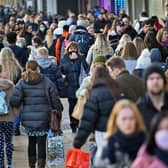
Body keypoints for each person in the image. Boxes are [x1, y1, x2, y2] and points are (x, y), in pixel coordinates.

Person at [10, 60, 63, 168]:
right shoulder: (46, 81)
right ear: (37, 68)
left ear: (26, 67)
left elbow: (14, 101)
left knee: (31, 142)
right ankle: (41, 165)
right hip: (44, 118)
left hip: (28, 119)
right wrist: (59, 110)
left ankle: (31, 165)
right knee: (42, 142)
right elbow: (55, 100)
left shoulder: (22, 82)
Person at [73, 66, 125, 150]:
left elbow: (87, 121)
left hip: (102, 132)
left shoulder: (94, 94)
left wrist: (78, 143)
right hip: (119, 130)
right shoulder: (118, 90)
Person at [94, 99, 146, 168]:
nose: (128, 123)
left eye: (131, 118)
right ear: (116, 120)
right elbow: (98, 163)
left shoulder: (147, 142)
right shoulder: (108, 143)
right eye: (124, 119)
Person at [60, 42, 89, 133]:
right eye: (70, 48)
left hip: (80, 85)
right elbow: (61, 70)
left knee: (80, 104)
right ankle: (73, 124)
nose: (72, 50)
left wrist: (76, 60)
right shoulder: (64, 59)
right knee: (72, 105)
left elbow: (86, 69)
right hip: (69, 86)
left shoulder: (81, 58)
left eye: (74, 48)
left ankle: (80, 123)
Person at [137, 64, 168, 130]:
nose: (155, 82)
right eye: (151, 78)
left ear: (164, 81)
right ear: (146, 83)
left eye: (158, 78)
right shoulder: (139, 107)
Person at [0, 64, 17, 168]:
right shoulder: (11, 85)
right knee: (9, 141)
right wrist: (15, 113)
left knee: (0, 144)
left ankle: (1, 164)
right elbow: (16, 101)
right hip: (9, 118)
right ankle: (9, 164)